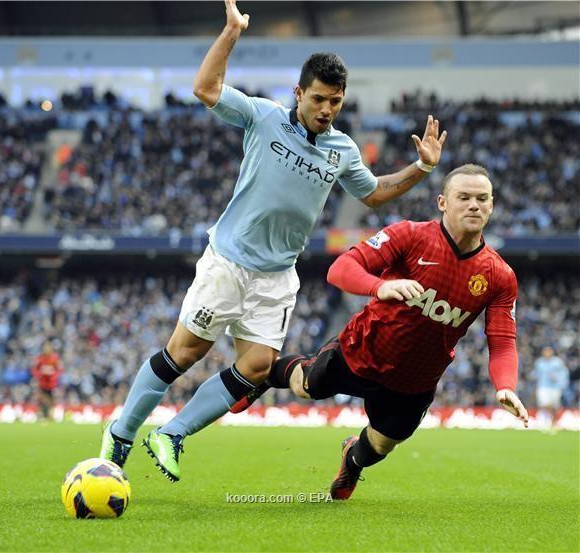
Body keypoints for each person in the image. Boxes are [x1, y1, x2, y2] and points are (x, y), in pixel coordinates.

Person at [100, 0, 448, 481]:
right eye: (319, 99)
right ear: (299, 93)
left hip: (278, 274)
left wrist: (423, 167)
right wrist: (231, 33)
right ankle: (120, 434)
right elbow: (205, 88)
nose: (327, 109)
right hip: (229, 261)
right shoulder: (263, 117)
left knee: (258, 366)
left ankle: (171, 433)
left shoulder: (342, 149)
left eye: (336, 101)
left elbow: (372, 194)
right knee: (185, 353)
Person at [258, 163, 529, 500]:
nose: (474, 205)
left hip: (414, 382)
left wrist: (505, 386)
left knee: (381, 445)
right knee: (306, 386)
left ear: (491, 205)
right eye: (464, 197)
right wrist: (379, 287)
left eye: (482, 198)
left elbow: (502, 341)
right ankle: (261, 374)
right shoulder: (411, 236)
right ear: (443, 202)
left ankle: (352, 460)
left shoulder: (499, 276)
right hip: (362, 350)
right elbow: (341, 268)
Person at [533, 346, 569, 429]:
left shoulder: (558, 362)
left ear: (552, 352)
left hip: (555, 387)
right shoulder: (539, 363)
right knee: (543, 403)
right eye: (545, 352)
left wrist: (559, 379)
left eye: (548, 351)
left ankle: (553, 421)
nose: (547, 353)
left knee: (555, 405)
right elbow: (536, 375)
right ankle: (553, 419)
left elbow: (564, 373)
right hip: (543, 386)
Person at [31, 342, 64, 420]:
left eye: (48, 348)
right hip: (43, 384)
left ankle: (51, 415)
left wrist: (53, 375)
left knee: (52, 400)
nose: (46, 350)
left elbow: (60, 370)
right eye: (45, 348)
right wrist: (40, 374)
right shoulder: (40, 358)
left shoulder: (55, 358)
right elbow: (34, 370)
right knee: (42, 399)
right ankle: (43, 414)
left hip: (52, 384)